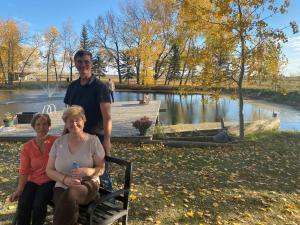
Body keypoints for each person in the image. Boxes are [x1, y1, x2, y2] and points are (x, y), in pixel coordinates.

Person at [46, 105, 105, 225]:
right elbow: (49, 170)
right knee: (63, 203)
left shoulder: (93, 141)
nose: (74, 123)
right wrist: (65, 179)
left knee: (70, 195)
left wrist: (89, 171)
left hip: (88, 184)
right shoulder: (59, 142)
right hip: (62, 184)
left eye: (78, 119)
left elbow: (101, 168)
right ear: (66, 124)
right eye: (70, 121)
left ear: (83, 121)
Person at [64, 49, 112, 191]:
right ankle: (82, 203)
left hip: (96, 137)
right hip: (76, 137)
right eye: (79, 62)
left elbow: (107, 117)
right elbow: (69, 115)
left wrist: (107, 141)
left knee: (101, 175)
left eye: (86, 61)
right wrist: (64, 134)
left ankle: (109, 205)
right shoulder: (73, 87)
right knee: (79, 172)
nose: (83, 65)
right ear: (75, 64)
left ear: (91, 64)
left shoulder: (100, 87)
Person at [10, 114, 57, 225]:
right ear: (33, 127)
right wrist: (19, 189)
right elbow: (24, 170)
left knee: (38, 204)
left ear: (49, 125)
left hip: (50, 180)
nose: (42, 127)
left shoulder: (56, 142)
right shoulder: (27, 146)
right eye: (38, 124)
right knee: (24, 202)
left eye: (45, 124)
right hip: (33, 180)